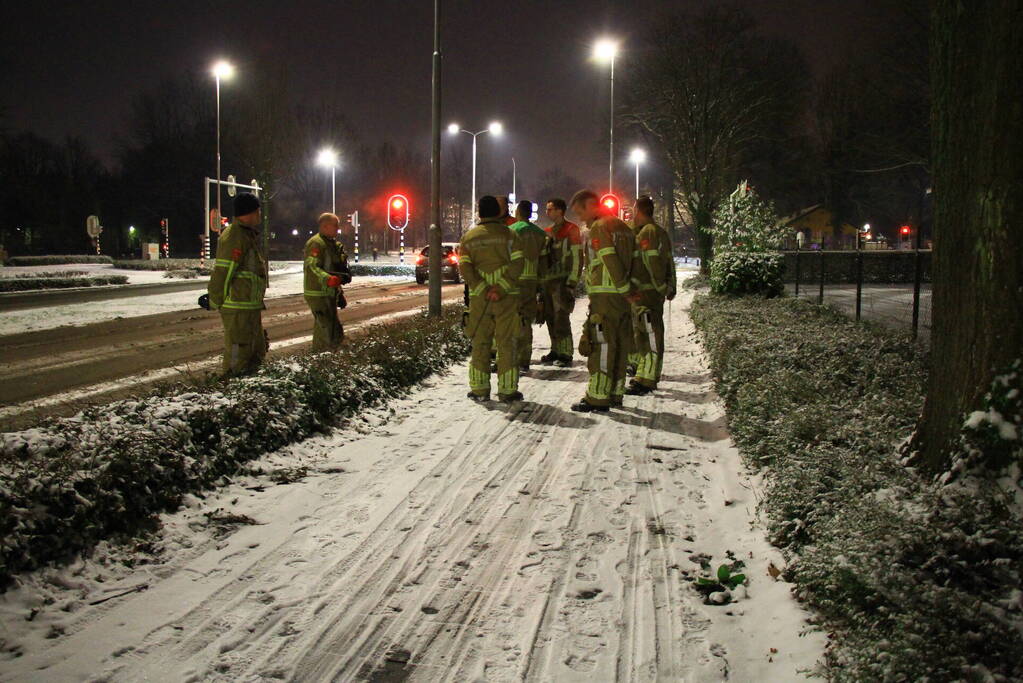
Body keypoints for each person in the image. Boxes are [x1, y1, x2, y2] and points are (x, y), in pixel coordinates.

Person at [569, 189, 639, 412]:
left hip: (606, 296)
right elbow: (636, 260)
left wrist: (624, 287)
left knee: (602, 345)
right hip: (621, 298)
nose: (580, 218)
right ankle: (616, 393)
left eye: (580, 211)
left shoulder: (600, 228)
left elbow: (609, 259)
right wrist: (630, 290)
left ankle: (597, 397)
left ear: (591, 205)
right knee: (620, 345)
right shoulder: (623, 227)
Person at [458, 195, 525, 403]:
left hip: (480, 299)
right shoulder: (511, 236)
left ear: (479, 213)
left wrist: (482, 287)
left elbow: (465, 267)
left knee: (480, 342)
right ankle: (507, 390)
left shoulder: (469, 238)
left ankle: (479, 389)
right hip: (506, 298)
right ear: (498, 212)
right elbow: (518, 263)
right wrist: (501, 287)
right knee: (507, 343)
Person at [207, 192, 269, 376]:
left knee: (255, 352)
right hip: (238, 307)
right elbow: (224, 271)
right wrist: (214, 299)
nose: (260, 215)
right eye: (258, 211)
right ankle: (231, 390)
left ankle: (247, 393)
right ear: (249, 212)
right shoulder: (234, 236)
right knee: (238, 354)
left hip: (249, 307)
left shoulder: (246, 235)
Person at [626, 196, 676, 394]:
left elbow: (653, 264)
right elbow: (669, 263)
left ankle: (647, 379)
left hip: (647, 295)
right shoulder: (652, 232)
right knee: (644, 336)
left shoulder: (649, 233)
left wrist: (662, 288)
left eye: (633, 210)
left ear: (639, 210)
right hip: (644, 295)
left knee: (650, 337)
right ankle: (643, 375)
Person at [540, 198, 583, 367]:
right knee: (550, 316)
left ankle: (565, 352)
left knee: (561, 317)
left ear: (560, 211)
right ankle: (555, 349)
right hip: (548, 281)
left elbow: (578, 257)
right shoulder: (548, 231)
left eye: (550, 209)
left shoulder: (572, 230)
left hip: (562, 281)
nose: (547, 212)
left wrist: (572, 281)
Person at [509, 200, 548, 372]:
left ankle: (513, 357)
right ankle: (525, 358)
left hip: (515, 280)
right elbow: (544, 260)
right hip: (532, 281)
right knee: (526, 320)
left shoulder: (512, 230)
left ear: (518, 212)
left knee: (513, 319)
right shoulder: (540, 233)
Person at [304, 212, 352, 351]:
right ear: (324, 226)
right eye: (335, 226)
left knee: (334, 329)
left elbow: (333, 270)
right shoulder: (316, 243)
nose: (338, 228)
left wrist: (339, 293)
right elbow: (312, 266)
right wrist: (327, 279)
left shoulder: (332, 245)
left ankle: (330, 357)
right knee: (325, 328)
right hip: (317, 293)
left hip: (329, 292)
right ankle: (321, 357)